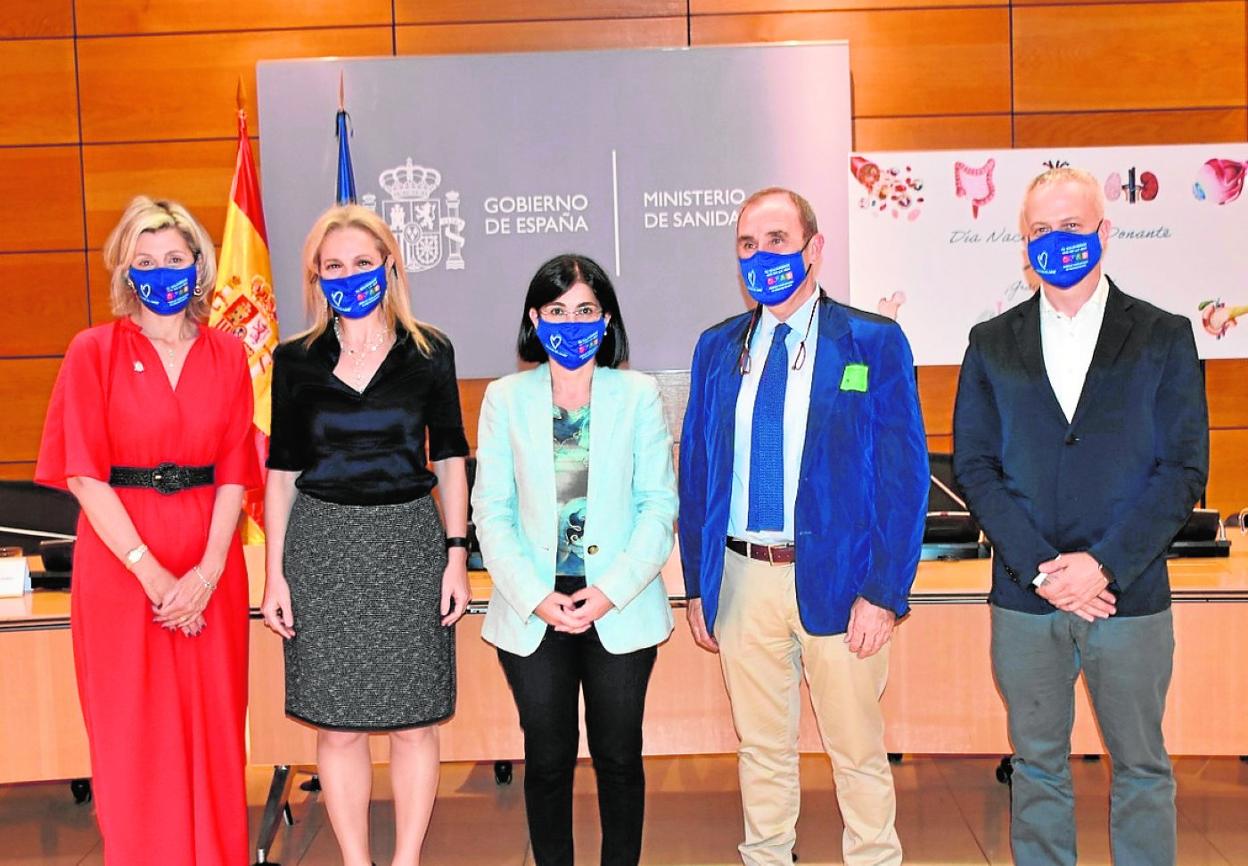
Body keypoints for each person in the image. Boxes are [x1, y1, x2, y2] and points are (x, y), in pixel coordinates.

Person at [952, 167, 1209, 866]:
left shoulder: (1163, 336)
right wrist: (1043, 567)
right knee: (1035, 768)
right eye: (1041, 230)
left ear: (1104, 231)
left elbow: (1182, 469)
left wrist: (1101, 565)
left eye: (1073, 226)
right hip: (1025, 599)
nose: (1057, 241)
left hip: (1128, 596)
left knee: (1143, 769)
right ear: (1022, 243)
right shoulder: (990, 341)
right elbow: (975, 467)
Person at [679, 187, 929, 866]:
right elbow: (698, 472)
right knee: (761, 749)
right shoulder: (715, 348)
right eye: (748, 245)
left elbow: (904, 479)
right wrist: (698, 586)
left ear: (814, 249)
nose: (763, 257)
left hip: (843, 585)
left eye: (778, 241)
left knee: (856, 750)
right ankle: (767, 857)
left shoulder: (872, 342)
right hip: (740, 578)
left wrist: (884, 591)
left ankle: (875, 858)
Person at [35, 195, 259, 864]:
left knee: (215, 735)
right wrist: (155, 574)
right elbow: (82, 474)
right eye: (147, 262)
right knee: (135, 738)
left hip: (211, 560)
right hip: (120, 563)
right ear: (125, 271)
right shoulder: (93, 351)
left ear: (198, 264)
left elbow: (235, 473)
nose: (163, 272)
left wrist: (208, 572)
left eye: (175, 259)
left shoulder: (226, 353)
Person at [260, 205, 470, 866]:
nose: (348, 276)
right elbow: (283, 471)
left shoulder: (430, 352)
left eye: (361, 262)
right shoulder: (294, 360)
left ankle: (406, 859)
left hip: (409, 543)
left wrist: (456, 555)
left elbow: (451, 458)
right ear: (316, 277)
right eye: (333, 266)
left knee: (414, 722)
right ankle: (356, 860)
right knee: (338, 726)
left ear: (388, 265)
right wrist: (275, 574)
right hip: (322, 548)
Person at [472, 254, 677, 866]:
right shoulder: (504, 398)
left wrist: (609, 591)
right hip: (533, 604)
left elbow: (657, 507)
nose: (571, 322)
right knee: (548, 758)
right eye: (557, 311)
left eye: (585, 310)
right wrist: (536, 596)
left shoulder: (638, 395)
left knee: (619, 757)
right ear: (534, 320)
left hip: (619, 602)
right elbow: (493, 512)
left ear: (606, 318)